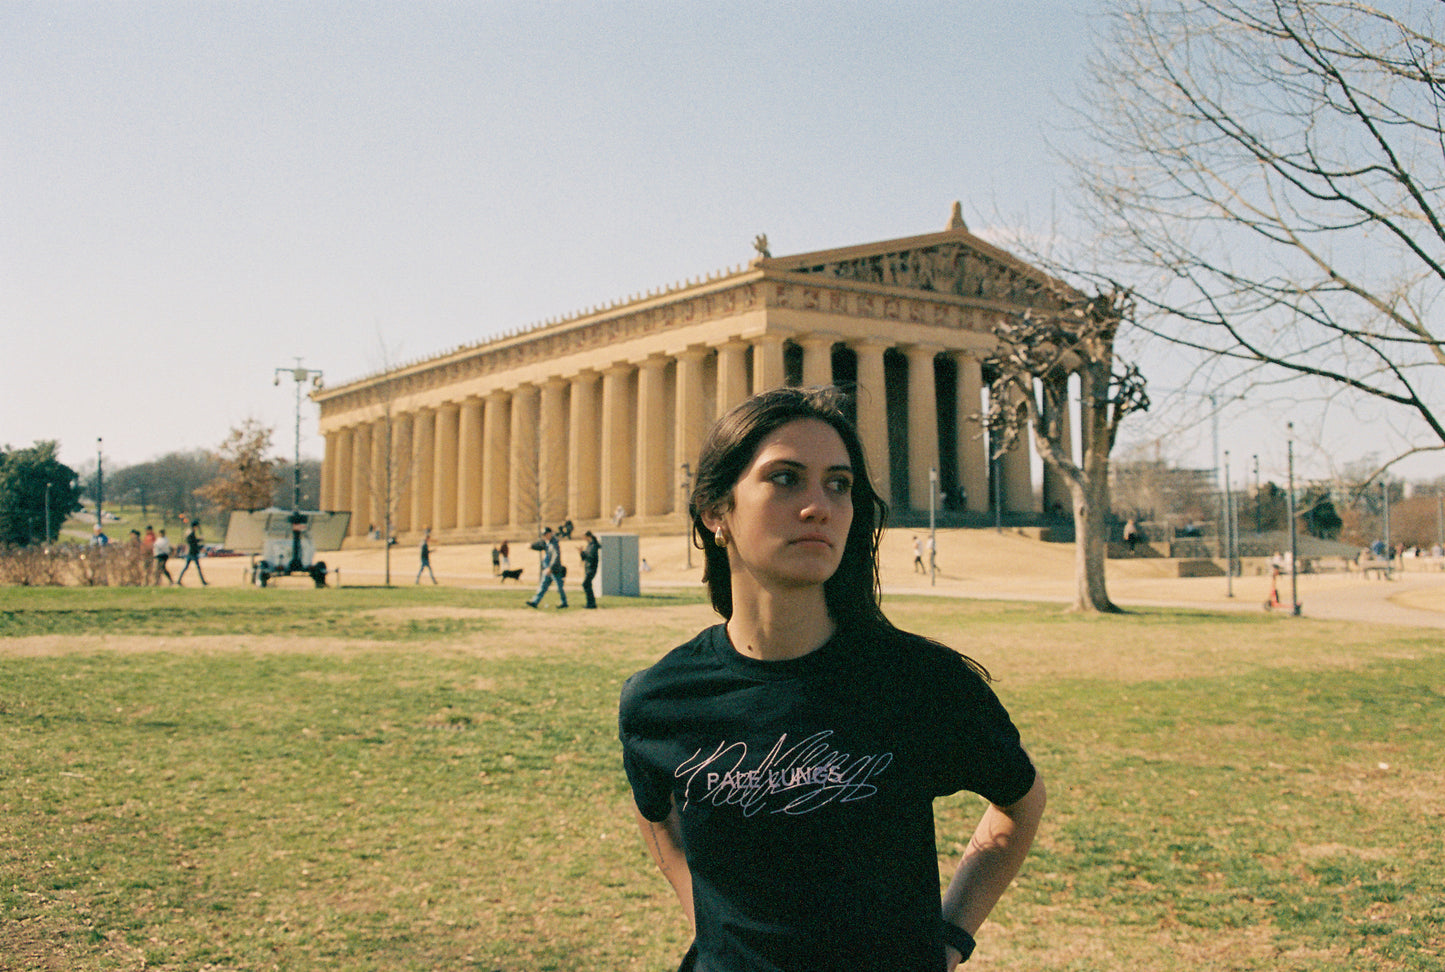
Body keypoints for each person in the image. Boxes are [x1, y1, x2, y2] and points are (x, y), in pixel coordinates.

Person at [619, 386, 1045, 972]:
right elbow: (657, 818)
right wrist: (715, 927)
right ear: (717, 511)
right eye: (786, 478)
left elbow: (1019, 803)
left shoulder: (919, 684)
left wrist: (948, 939)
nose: (818, 505)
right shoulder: (660, 699)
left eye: (838, 484)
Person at [525, 527, 568, 608]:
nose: (544, 536)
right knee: (543, 586)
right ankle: (535, 602)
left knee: (559, 587)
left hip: (554, 570)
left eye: (545, 534)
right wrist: (531, 546)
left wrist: (551, 568)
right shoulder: (547, 543)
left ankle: (564, 602)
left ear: (550, 533)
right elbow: (539, 545)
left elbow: (556, 557)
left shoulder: (554, 544)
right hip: (548, 569)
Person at [176, 522, 208, 586]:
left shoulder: (190, 533)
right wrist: (200, 547)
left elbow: (193, 541)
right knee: (198, 568)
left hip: (191, 552)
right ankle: (203, 582)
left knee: (186, 567)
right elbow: (193, 543)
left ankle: (179, 580)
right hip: (192, 553)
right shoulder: (191, 534)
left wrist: (199, 540)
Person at [579, 530, 600, 609]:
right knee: (587, 585)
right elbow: (585, 557)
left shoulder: (594, 545)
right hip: (588, 568)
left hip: (591, 568)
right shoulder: (589, 545)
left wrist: (585, 553)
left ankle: (591, 603)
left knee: (585, 584)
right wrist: (581, 552)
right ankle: (591, 603)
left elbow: (591, 556)